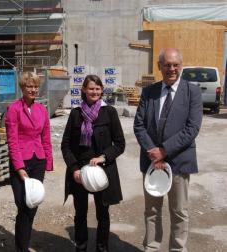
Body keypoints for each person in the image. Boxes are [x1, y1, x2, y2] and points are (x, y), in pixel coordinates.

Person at [134, 48, 203, 252]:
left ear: (181, 66)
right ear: (159, 67)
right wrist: (153, 152)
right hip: (151, 162)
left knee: (179, 211)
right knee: (152, 211)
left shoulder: (193, 92)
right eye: (167, 64)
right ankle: (151, 248)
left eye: (175, 65)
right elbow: (139, 125)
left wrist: (164, 151)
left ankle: (177, 249)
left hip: (178, 163)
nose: (171, 69)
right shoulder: (149, 92)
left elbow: (192, 128)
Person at [61, 74, 125, 252]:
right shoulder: (75, 114)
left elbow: (120, 144)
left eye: (97, 88)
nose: (94, 92)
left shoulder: (109, 112)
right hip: (80, 172)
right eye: (90, 88)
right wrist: (74, 169)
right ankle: (81, 246)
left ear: (102, 90)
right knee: (80, 213)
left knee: (102, 214)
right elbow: (65, 145)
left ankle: (101, 247)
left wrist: (103, 157)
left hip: (103, 171)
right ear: (84, 90)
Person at [5, 72, 53, 252]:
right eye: (29, 86)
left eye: (35, 86)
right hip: (21, 162)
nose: (32, 90)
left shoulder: (42, 110)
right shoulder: (14, 109)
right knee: (23, 205)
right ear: (22, 88)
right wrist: (19, 167)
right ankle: (21, 248)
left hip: (38, 160)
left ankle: (23, 244)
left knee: (33, 204)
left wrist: (48, 161)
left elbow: (46, 137)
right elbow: (12, 140)